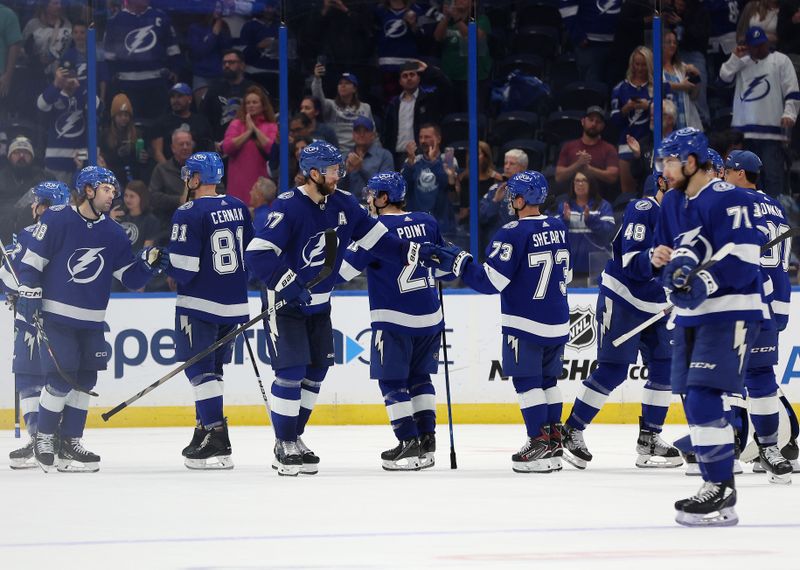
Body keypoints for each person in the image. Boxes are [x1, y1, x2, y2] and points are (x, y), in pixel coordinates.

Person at [244, 140, 440, 476]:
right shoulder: (288, 206)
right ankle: (284, 443)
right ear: (314, 172)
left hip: (320, 305)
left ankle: (296, 437)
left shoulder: (345, 204)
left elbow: (379, 242)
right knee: (291, 373)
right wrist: (288, 282)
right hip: (286, 303)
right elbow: (258, 253)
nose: (339, 174)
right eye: (333, 169)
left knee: (316, 372)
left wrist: (415, 254)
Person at [17, 166, 167, 472]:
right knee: (61, 378)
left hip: (92, 320)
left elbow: (129, 277)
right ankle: (44, 438)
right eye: (106, 189)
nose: (113, 195)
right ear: (87, 190)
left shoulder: (113, 232)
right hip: (57, 316)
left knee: (85, 380)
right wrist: (29, 293)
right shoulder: (57, 219)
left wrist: (149, 266)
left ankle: (71, 442)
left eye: (114, 190)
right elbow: (33, 262)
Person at [657, 127, 765, 526]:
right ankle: (719, 489)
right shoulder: (677, 202)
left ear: (689, 161)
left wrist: (703, 280)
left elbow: (745, 257)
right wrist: (671, 268)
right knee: (694, 399)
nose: (664, 169)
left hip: (730, 311)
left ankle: (719, 488)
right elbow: (689, 250)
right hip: (692, 314)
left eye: (670, 160)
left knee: (704, 396)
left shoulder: (730, 197)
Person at [435, 171, 571, 473]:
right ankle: (553, 442)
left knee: (527, 382)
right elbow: (567, 276)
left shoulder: (512, 233)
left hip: (525, 322)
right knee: (548, 382)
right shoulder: (559, 227)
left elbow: (490, 282)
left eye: (514, 196)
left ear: (522, 199)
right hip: (558, 320)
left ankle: (537, 441)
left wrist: (460, 262)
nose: (511, 201)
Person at [560, 169, 681, 470]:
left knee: (664, 368)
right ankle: (571, 430)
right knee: (614, 369)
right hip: (624, 299)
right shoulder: (644, 209)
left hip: (657, 305)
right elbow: (632, 262)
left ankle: (650, 438)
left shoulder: (685, 215)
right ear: (664, 182)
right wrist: (658, 259)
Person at [338, 172, 446, 470]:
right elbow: (443, 268)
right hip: (430, 318)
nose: (368, 199)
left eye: (373, 194)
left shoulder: (376, 228)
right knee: (421, 379)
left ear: (385, 197)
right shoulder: (428, 221)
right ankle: (427, 440)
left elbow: (344, 272)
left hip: (394, 320)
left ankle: (408, 444)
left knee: (391, 381)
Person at [165, 152, 252, 469]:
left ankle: (217, 436)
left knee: (199, 371)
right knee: (213, 371)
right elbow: (249, 254)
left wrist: (165, 259)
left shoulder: (188, 212)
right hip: (234, 306)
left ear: (198, 178)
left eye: (190, 175)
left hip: (199, 305)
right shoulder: (239, 207)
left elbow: (184, 270)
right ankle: (203, 429)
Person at [723, 150, 793, 483]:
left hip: (746, 301)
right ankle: (770, 448)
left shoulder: (736, 204)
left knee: (724, 376)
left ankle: (726, 448)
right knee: (761, 376)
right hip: (776, 301)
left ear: (739, 174)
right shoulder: (776, 207)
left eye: (727, 169)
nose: (723, 174)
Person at [2, 181, 71, 469]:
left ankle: (38, 437)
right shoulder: (73, 234)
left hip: (32, 316)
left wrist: (13, 291)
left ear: (44, 205)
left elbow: (8, 277)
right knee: (55, 377)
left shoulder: (29, 235)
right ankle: (56, 438)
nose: (33, 207)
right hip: (63, 316)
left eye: (37, 202)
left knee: (30, 377)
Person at [720, 25, 800, 197]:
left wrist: (789, 114)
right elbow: (724, 76)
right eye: (754, 45)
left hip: (772, 133)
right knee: (746, 179)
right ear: (748, 46)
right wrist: (735, 57)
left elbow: (792, 91)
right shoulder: (742, 62)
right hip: (744, 133)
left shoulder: (781, 60)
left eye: (761, 44)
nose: (759, 48)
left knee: (772, 177)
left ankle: (773, 214)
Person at [103, 0, 180, 122]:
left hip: (156, 85)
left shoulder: (161, 17)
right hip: (127, 86)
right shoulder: (115, 21)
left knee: (157, 127)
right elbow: (109, 57)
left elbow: (173, 50)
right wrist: (114, 78)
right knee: (130, 127)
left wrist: (174, 70)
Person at [37, 64, 98, 183]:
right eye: (65, 76)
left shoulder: (83, 93)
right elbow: (41, 105)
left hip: (82, 161)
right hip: (56, 163)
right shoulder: (53, 94)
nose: (69, 80)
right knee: (57, 199)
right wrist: (56, 85)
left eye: (72, 76)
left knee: (82, 199)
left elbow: (98, 107)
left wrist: (79, 88)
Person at [383, 60, 448, 169]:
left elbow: (446, 87)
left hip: (423, 154)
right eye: (405, 76)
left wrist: (428, 70)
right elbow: (387, 132)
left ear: (418, 78)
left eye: (412, 74)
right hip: (397, 156)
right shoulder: (393, 104)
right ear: (400, 81)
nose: (409, 78)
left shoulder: (429, 100)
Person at [555, 172, 615, 285]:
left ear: (591, 184)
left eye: (584, 180)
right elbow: (556, 235)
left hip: (597, 270)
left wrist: (591, 220)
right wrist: (565, 219)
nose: (580, 184)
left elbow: (609, 233)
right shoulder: (564, 207)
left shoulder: (603, 206)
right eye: (577, 181)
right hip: (570, 270)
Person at [222, 85, 277, 207]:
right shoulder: (236, 124)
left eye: (254, 102)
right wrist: (248, 133)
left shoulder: (271, 126)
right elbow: (227, 147)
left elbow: (272, 150)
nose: (251, 105)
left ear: (263, 105)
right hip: (237, 186)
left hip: (260, 185)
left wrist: (255, 130)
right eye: (248, 103)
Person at [610, 46, 653, 195]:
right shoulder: (620, 88)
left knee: (650, 189)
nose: (640, 68)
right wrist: (626, 108)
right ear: (632, 64)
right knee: (628, 193)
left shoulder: (657, 87)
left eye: (643, 64)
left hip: (650, 143)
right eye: (637, 64)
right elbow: (614, 120)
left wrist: (649, 106)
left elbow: (668, 113)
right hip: (627, 142)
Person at [401, 123, 457, 233]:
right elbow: (402, 192)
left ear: (438, 139)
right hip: (416, 226)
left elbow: (454, 196)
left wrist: (434, 163)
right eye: (421, 137)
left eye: (427, 137)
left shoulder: (448, 159)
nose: (423, 141)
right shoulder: (412, 161)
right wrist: (410, 165)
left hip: (442, 226)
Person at [555, 106, 620, 200]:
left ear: (603, 126)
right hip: (570, 199)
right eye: (591, 120)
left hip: (599, 199)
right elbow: (559, 176)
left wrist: (589, 169)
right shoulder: (569, 146)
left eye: (598, 122)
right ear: (583, 121)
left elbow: (612, 177)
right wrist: (578, 164)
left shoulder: (609, 149)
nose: (594, 124)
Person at [310, 66, 373, 154]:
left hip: (359, 151)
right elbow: (317, 99)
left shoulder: (365, 107)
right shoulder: (330, 105)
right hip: (336, 151)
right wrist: (317, 79)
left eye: (347, 83)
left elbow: (372, 133)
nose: (343, 86)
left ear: (354, 88)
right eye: (340, 83)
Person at [478, 148, 527, 257]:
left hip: (517, 250)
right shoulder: (494, 189)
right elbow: (481, 218)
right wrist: (495, 201)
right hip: (493, 250)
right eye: (505, 163)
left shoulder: (530, 192)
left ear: (523, 168)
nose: (507, 166)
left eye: (512, 163)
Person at [201, 49, 256, 146]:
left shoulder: (253, 89)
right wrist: (211, 141)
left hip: (248, 143)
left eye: (231, 62)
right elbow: (204, 119)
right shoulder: (214, 90)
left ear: (242, 66)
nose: (226, 65)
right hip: (219, 144)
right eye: (224, 63)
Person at [151, 83, 213, 164]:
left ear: (190, 99)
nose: (175, 100)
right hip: (170, 171)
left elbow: (209, 148)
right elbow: (157, 152)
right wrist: (168, 172)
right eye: (173, 96)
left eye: (180, 96)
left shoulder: (201, 121)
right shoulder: (161, 122)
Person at [149, 129, 196, 230]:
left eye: (188, 144)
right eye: (181, 144)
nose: (185, 147)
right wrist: (178, 200)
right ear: (173, 148)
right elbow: (153, 197)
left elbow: (219, 190)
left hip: (198, 220)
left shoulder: (202, 169)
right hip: (169, 223)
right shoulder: (161, 169)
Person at [100, 93, 148, 187]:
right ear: (114, 117)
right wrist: (117, 154)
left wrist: (144, 156)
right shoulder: (105, 134)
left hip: (135, 175)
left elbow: (146, 156)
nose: (123, 118)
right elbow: (103, 159)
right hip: (114, 176)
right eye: (120, 115)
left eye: (126, 115)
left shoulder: (138, 133)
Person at [341, 116, 394, 199]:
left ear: (373, 135)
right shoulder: (344, 157)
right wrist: (345, 173)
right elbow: (334, 189)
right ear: (353, 134)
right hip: (349, 206)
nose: (361, 134)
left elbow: (386, 187)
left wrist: (361, 169)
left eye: (366, 131)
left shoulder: (384, 155)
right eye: (358, 131)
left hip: (375, 206)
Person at [455, 141, 502, 230]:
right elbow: (462, 208)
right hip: (468, 224)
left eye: (477, 154)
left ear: (486, 157)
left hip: (490, 223)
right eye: (470, 154)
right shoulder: (463, 178)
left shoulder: (496, 179)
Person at [662, 30, 703, 131]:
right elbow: (656, 87)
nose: (672, 45)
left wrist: (697, 78)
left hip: (685, 119)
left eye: (675, 42)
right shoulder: (653, 68)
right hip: (665, 121)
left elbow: (694, 96)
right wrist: (681, 86)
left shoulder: (682, 67)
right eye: (668, 42)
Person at [117, 180, 160, 253]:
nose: (128, 199)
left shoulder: (151, 221)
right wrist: (110, 220)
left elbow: (146, 251)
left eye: (132, 196)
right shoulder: (118, 215)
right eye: (126, 195)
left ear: (141, 197)